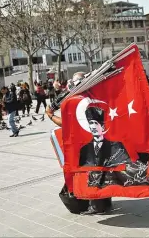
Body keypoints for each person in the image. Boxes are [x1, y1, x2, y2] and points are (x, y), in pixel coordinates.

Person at [45, 72, 113, 215]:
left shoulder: (76, 101)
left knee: (90, 173)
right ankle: (105, 202)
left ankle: (97, 206)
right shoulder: (96, 96)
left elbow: (66, 123)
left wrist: (50, 115)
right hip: (102, 141)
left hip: (87, 144)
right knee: (101, 171)